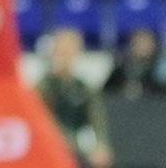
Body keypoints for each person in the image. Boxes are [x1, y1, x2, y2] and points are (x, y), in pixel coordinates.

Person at [37, 28, 113, 168]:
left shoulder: (82, 87)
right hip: (48, 145)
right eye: (60, 52)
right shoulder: (43, 86)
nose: (64, 57)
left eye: (69, 52)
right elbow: (41, 118)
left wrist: (101, 145)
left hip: (75, 147)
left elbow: (97, 119)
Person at [103, 28, 166, 98]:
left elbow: (164, 90)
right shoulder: (121, 68)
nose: (142, 47)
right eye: (138, 43)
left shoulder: (158, 68)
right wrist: (123, 88)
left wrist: (143, 89)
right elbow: (108, 89)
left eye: (145, 43)